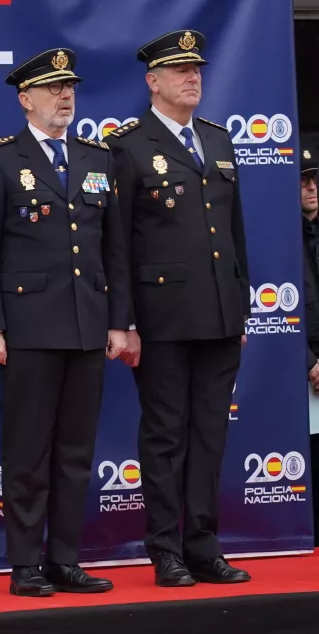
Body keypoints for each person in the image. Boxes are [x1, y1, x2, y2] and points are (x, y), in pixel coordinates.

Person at [0, 48, 130, 597]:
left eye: (70, 88)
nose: (65, 96)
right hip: (28, 328)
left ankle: (64, 560)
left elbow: (113, 248)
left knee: (76, 451)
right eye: (53, 88)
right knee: (28, 450)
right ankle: (25, 564)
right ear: (25, 99)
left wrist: (118, 321)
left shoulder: (96, 157)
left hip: (87, 325)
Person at [104, 29, 252, 586]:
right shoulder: (127, 146)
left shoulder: (217, 139)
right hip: (161, 318)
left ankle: (204, 547)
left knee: (210, 433)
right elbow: (117, 243)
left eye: (197, 70)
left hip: (219, 314)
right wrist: (125, 321)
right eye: (180, 70)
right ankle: (166, 549)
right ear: (153, 81)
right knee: (166, 435)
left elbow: (234, 234)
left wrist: (239, 306)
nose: (193, 77)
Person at [299, 145, 319, 546]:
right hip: (302, 367)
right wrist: (309, 361)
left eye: (315, 178)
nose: (312, 187)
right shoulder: (277, 235)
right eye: (302, 181)